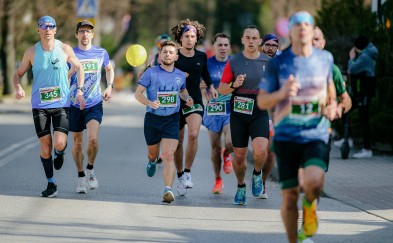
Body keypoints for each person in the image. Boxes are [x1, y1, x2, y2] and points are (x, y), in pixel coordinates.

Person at [257, 11, 337, 243]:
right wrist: (282, 93)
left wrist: (332, 106)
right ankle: (296, 239)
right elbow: (262, 101)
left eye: (307, 25)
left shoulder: (325, 59)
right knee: (290, 197)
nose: (302, 28)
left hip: (316, 133)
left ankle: (310, 204)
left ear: (312, 31)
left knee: (314, 184)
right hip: (286, 136)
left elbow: (330, 91)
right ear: (289, 31)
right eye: (297, 25)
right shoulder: (278, 63)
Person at [13, 16, 85, 197]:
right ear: (38, 29)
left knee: (59, 143)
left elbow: (79, 66)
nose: (47, 29)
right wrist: (18, 87)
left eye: (51, 26)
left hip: (61, 104)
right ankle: (51, 183)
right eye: (43, 26)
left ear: (55, 30)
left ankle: (60, 153)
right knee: (45, 146)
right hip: (40, 105)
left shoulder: (64, 49)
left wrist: (79, 90)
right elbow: (18, 74)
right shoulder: (31, 52)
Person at [135, 41, 193, 203]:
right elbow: (138, 93)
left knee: (168, 155)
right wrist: (149, 103)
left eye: (170, 52)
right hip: (153, 119)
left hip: (172, 120)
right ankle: (152, 162)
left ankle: (168, 190)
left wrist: (187, 98)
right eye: (164, 52)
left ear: (176, 56)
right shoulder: (151, 73)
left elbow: (182, 91)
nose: (167, 54)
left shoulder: (180, 75)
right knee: (153, 154)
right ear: (160, 56)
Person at [219, 25, 270, 205]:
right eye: (247, 38)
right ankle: (241, 186)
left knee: (261, 150)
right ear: (242, 40)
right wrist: (234, 85)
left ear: (259, 41)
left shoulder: (267, 62)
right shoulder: (233, 62)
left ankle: (257, 174)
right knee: (239, 155)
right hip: (239, 111)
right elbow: (221, 89)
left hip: (259, 110)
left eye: (254, 38)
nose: (250, 41)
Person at [171, 19, 218, 195]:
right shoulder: (174, 55)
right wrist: (176, 73)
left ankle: (188, 173)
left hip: (195, 102)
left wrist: (211, 87)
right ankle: (180, 174)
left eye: (193, 36)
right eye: (186, 36)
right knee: (178, 142)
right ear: (180, 38)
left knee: (193, 134)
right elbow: (163, 72)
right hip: (175, 103)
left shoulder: (201, 56)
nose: (190, 39)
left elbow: (205, 74)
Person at [68, 20, 115, 193]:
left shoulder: (100, 52)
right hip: (73, 104)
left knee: (93, 139)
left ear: (92, 35)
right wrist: (70, 73)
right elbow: (62, 79)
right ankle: (80, 176)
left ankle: (90, 169)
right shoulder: (70, 54)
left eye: (88, 31)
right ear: (76, 34)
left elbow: (109, 69)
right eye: (81, 31)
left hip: (94, 102)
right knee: (78, 143)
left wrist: (110, 86)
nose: (85, 34)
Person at [202, 33, 233, 194]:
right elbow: (199, 83)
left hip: (230, 109)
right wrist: (206, 88)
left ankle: (227, 154)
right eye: (219, 45)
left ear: (229, 47)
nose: (222, 48)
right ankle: (217, 179)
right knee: (215, 147)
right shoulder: (207, 64)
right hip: (213, 109)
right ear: (214, 47)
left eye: (225, 45)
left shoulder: (235, 63)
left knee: (230, 142)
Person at [344, 36, 378, 159]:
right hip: (364, 90)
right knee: (349, 110)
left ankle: (367, 149)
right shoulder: (370, 53)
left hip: (365, 90)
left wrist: (352, 58)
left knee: (364, 119)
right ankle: (348, 138)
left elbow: (353, 69)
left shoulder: (365, 56)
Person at [260, 32, 281, 199]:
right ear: (262, 45)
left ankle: (262, 183)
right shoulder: (255, 60)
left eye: (274, 45)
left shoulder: (282, 63)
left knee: (271, 152)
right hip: (256, 110)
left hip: (274, 113)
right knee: (260, 151)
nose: (270, 48)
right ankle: (254, 175)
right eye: (268, 45)